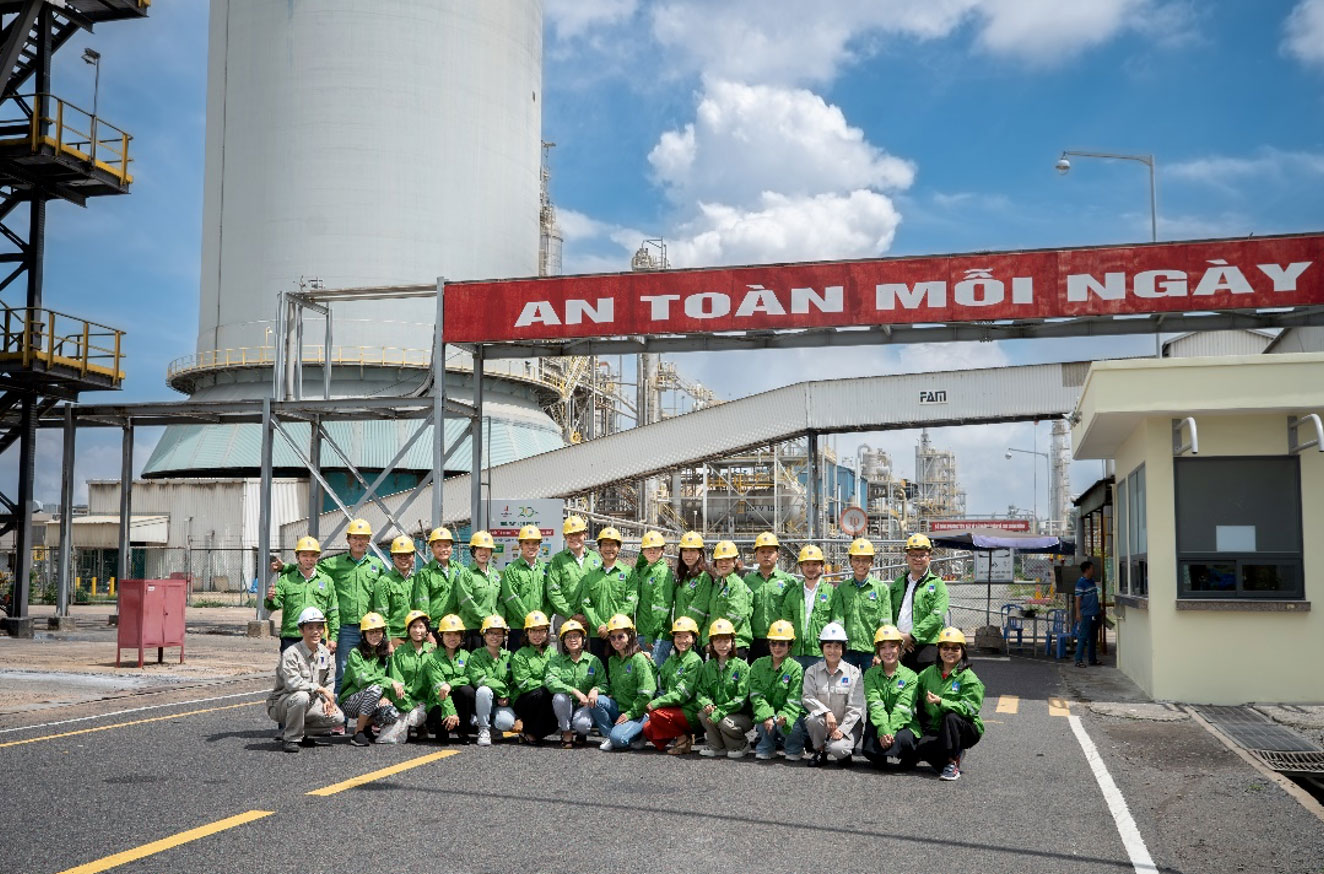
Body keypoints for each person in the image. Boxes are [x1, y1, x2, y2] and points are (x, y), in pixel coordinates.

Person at [269, 519, 383, 694]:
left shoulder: (378, 565)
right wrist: (286, 568)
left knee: (371, 670)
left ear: (369, 540)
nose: (359, 542)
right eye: (355, 537)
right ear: (348, 540)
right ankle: (340, 719)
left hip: (371, 629)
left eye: (363, 538)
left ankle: (366, 719)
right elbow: (308, 566)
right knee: (343, 673)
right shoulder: (334, 564)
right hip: (346, 628)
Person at [267, 606, 341, 753]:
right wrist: (319, 689)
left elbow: (330, 681)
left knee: (337, 718)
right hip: (283, 702)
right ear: (302, 630)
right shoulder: (291, 653)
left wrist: (328, 701)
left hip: (311, 702)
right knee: (301, 696)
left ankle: (300, 733)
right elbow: (292, 684)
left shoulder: (325, 653)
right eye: (310, 627)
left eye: (320, 627)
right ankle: (291, 738)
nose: (316, 631)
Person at [916, 627, 985, 781]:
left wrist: (942, 702)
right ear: (939, 650)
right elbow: (912, 687)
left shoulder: (969, 678)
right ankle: (949, 760)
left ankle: (952, 762)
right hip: (937, 727)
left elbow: (970, 709)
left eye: (955, 648)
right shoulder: (929, 673)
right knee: (921, 746)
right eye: (945, 647)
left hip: (966, 728)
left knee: (951, 716)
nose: (950, 652)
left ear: (963, 651)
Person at [794, 621, 864, 767]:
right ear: (822, 648)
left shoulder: (854, 673)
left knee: (838, 749)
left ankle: (842, 751)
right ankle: (819, 751)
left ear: (843, 649)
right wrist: (827, 713)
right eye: (828, 646)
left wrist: (842, 729)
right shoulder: (812, 671)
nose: (832, 651)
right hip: (824, 722)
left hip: (848, 725)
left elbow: (856, 707)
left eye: (837, 646)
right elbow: (807, 698)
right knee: (813, 718)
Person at [590, 613, 656, 751]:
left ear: (630, 636)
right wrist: (596, 690)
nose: (616, 641)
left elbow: (646, 693)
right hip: (620, 707)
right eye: (612, 637)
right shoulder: (612, 660)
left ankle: (636, 732)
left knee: (619, 740)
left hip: (638, 712)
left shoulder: (639, 659)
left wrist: (630, 714)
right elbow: (610, 688)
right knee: (596, 700)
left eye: (621, 636)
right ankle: (611, 735)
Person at [265, 536, 340, 655]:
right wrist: (270, 599)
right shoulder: (286, 580)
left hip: (317, 637)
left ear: (317, 557)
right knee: (290, 672)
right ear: (297, 557)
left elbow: (333, 611)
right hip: (291, 637)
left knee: (317, 673)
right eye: (304, 555)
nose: (308, 559)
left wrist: (334, 637)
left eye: (312, 556)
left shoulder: (326, 581)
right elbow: (274, 605)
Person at [340, 611, 405, 746]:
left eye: (378, 632)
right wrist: (389, 683)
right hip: (351, 701)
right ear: (363, 634)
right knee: (375, 689)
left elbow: (392, 676)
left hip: (373, 698)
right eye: (370, 632)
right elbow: (362, 680)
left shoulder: (386, 654)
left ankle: (365, 726)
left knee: (392, 713)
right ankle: (358, 732)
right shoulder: (355, 654)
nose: (375, 636)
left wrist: (386, 696)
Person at [861, 625, 921, 770]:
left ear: (899, 648)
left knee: (903, 741)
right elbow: (874, 704)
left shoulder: (911, 676)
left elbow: (903, 709)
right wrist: (883, 729)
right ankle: (880, 754)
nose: (888, 652)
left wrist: (889, 732)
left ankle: (910, 757)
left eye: (892, 646)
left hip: (903, 724)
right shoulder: (870, 674)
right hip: (879, 722)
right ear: (878, 651)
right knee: (869, 749)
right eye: (883, 648)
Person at [642, 615, 703, 754]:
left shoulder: (695, 661)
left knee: (656, 714)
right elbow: (659, 676)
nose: (682, 641)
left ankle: (682, 738)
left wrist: (657, 702)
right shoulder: (672, 659)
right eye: (678, 637)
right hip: (673, 709)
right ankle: (684, 737)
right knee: (647, 730)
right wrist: (649, 661)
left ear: (693, 639)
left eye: (686, 637)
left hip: (690, 710)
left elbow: (683, 694)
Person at [889, 533, 950, 672]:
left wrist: (912, 636)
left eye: (922, 555)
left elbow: (937, 616)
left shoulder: (937, 584)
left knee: (925, 691)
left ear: (929, 558)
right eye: (913, 555)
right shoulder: (898, 583)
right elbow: (888, 611)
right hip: (900, 646)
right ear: (907, 557)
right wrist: (897, 636)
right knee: (902, 691)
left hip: (926, 648)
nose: (917, 559)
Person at [832, 537, 893, 673]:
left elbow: (885, 624)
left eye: (865, 560)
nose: (861, 564)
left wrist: (880, 653)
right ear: (851, 562)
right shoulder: (842, 589)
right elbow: (838, 620)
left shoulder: (881, 589)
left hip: (871, 652)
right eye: (857, 560)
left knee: (872, 690)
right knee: (845, 690)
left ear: (871, 562)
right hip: (847, 651)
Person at [695, 617, 753, 759]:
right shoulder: (708, 667)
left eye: (726, 641)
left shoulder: (742, 667)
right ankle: (717, 746)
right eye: (718, 641)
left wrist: (720, 712)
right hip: (719, 712)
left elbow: (741, 699)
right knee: (703, 714)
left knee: (723, 721)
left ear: (733, 642)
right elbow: (701, 691)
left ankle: (740, 745)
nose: (722, 645)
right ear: (711, 644)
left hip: (740, 715)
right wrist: (706, 703)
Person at [748, 619, 804, 761]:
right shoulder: (757, 665)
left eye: (782, 643)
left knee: (790, 725)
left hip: (788, 714)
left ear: (790, 645)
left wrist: (785, 715)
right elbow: (756, 696)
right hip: (768, 713)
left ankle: (794, 748)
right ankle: (766, 747)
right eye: (773, 643)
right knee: (762, 719)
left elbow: (794, 698)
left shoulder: (796, 668)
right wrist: (767, 715)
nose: (777, 647)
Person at [544, 618, 605, 748]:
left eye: (576, 636)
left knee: (583, 725)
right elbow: (551, 681)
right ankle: (566, 732)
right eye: (568, 637)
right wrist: (574, 691)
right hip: (567, 703)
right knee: (559, 697)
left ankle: (581, 733)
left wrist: (595, 690)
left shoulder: (593, 661)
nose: (572, 639)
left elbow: (603, 683)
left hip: (585, 705)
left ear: (583, 639)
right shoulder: (556, 661)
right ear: (563, 641)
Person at [580, 527, 638, 661]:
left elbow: (631, 602)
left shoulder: (629, 573)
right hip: (598, 634)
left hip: (622, 634)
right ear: (599, 549)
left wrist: (611, 626)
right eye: (605, 545)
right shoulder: (591, 576)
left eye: (612, 545)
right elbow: (586, 603)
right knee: (600, 673)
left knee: (623, 672)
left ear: (618, 548)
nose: (608, 549)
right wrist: (600, 626)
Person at [545, 515, 601, 643]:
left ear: (585, 534)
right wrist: (571, 614)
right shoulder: (558, 560)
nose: (574, 538)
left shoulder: (595, 559)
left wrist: (590, 615)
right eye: (570, 535)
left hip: (590, 619)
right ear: (565, 537)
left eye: (578, 534)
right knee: (565, 659)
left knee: (590, 659)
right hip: (565, 618)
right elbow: (553, 591)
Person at [424, 613, 475, 744]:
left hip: (458, 701)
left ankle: (463, 729)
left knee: (467, 692)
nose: (452, 638)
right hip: (438, 702)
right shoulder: (432, 658)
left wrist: (451, 684)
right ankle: (445, 724)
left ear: (461, 636)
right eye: (448, 634)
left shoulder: (466, 655)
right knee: (442, 739)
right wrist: (451, 712)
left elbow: (469, 676)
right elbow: (438, 689)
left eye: (456, 634)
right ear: (441, 636)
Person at [744, 531, 795, 662]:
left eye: (770, 552)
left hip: (781, 640)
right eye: (762, 552)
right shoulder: (747, 581)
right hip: (756, 640)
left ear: (777, 555)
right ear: (756, 555)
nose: (766, 555)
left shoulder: (788, 581)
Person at [782, 545, 835, 668]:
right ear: (801, 567)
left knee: (820, 687)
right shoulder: (793, 594)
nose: (811, 568)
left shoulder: (832, 593)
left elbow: (837, 622)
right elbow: (787, 623)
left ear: (821, 566)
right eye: (807, 564)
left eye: (815, 564)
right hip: (796, 653)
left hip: (821, 653)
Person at [468, 614, 517, 746]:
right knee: (484, 690)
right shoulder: (476, 656)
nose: (495, 637)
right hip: (483, 701)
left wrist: (508, 697)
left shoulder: (509, 657)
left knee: (505, 723)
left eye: (499, 634)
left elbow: (514, 682)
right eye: (491, 633)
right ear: (484, 635)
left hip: (502, 702)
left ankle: (494, 726)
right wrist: (503, 691)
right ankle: (483, 728)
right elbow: (479, 679)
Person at [510, 610, 558, 744]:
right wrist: (549, 683)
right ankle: (529, 730)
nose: (537, 635)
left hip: (545, 695)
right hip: (525, 699)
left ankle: (538, 730)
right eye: (533, 631)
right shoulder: (520, 655)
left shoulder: (552, 652)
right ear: (527, 633)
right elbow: (524, 684)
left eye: (541, 631)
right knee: (541, 693)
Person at [500, 524, 548, 652]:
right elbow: (511, 598)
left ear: (539, 546)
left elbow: (550, 597)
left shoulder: (545, 569)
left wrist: (542, 622)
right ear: (520, 546)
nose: (531, 547)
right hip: (518, 627)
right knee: (516, 664)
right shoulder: (512, 569)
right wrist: (529, 621)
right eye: (527, 543)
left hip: (540, 629)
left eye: (534, 543)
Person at [388, 610, 436, 739]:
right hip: (404, 700)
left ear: (427, 630)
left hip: (426, 701)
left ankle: (421, 724)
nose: (417, 631)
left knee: (416, 717)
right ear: (408, 630)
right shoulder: (399, 652)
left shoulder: (434, 652)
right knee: (388, 739)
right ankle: (410, 722)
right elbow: (396, 679)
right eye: (414, 627)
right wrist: (410, 704)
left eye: (421, 627)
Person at [633, 530, 676, 666]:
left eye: (655, 548)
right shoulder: (646, 569)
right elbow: (638, 568)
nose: (651, 552)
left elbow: (660, 608)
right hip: (645, 632)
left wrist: (650, 634)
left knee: (655, 676)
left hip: (657, 636)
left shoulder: (662, 572)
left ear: (662, 550)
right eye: (647, 549)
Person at [412, 527, 461, 644]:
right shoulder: (425, 573)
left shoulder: (460, 569)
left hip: (455, 626)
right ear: (432, 549)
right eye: (438, 546)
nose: (443, 549)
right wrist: (428, 633)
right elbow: (422, 604)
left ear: (451, 548)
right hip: (435, 627)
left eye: (446, 546)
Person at [704, 541, 752, 658]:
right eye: (720, 560)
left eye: (728, 560)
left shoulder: (737, 585)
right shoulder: (718, 585)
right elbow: (711, 615)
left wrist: (720, 638)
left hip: (735, 643)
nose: (723, 564)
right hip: (718, 643)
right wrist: (708, 639)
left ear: (735, 562)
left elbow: (736, 615)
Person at [372, 534, 420, 649]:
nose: (403, 559)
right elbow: (382, 615)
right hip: (395, 637)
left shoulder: (418, 580)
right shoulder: (384, 582)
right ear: (392, 557)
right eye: (399, 556)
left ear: (413, 557)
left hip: (416, 636)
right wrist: (388, 642)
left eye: (407, 555)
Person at [456, 531, 501, 652]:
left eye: (487, 549)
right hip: (472, 630)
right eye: (479, 548)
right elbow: (467, 602)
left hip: (492, 630)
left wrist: (498, 620)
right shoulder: (466, 574)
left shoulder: (495, 574)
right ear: (473, 551)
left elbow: (500, 600)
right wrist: (486, 619)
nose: (483, 552)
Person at [672, 531, 713, 638]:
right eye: (685, 551)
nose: (688, 555)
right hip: (681, 633)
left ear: (700, 553)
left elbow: (699, 609)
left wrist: (687, 633)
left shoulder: (704, 577)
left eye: (692, 551)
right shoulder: (685, 576)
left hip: (692, 635)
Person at [1074, 560, 1103, 667]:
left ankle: (1092, 659)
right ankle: (1078, 660)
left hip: (1095, 613)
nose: (1093, 570)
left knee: (1093, 637)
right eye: (1092, 568)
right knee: (1083, 637)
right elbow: (1078, 599)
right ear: (1087, 570)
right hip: (1086, 614)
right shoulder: (1081, 583)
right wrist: (1078, 613)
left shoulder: (1092, 581)